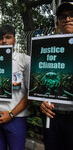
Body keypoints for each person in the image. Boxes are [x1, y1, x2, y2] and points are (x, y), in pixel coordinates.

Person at [0, 24, 30, 150]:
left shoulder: (24, 60)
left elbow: (31, 93)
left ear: (14, 40)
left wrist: (11, 114)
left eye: (8, 37)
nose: (4, 41)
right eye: (0, 38)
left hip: (16, 118)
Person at [40, 2, 73, 150]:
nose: (67, 19)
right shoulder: (46, 47)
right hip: (51, 115)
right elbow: (39, 78)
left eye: (71, 15)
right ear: (57, 22)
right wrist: (41, 100)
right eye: (63, 16)